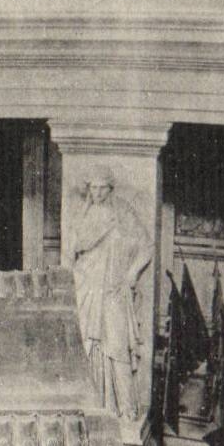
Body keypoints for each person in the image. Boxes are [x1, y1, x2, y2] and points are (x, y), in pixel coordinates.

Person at [70, 169, 153, 417]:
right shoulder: (85, 215)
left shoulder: (124, 214)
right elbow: (76, 249)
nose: (96, 193)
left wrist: (132, 275)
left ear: (110, 189)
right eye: (92, 188)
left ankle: (126, 409)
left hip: (114, 291)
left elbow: (146, 247)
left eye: (101, 188)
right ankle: (91, 405)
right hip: (88, 290)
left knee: (117, 349)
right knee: (87, 345)